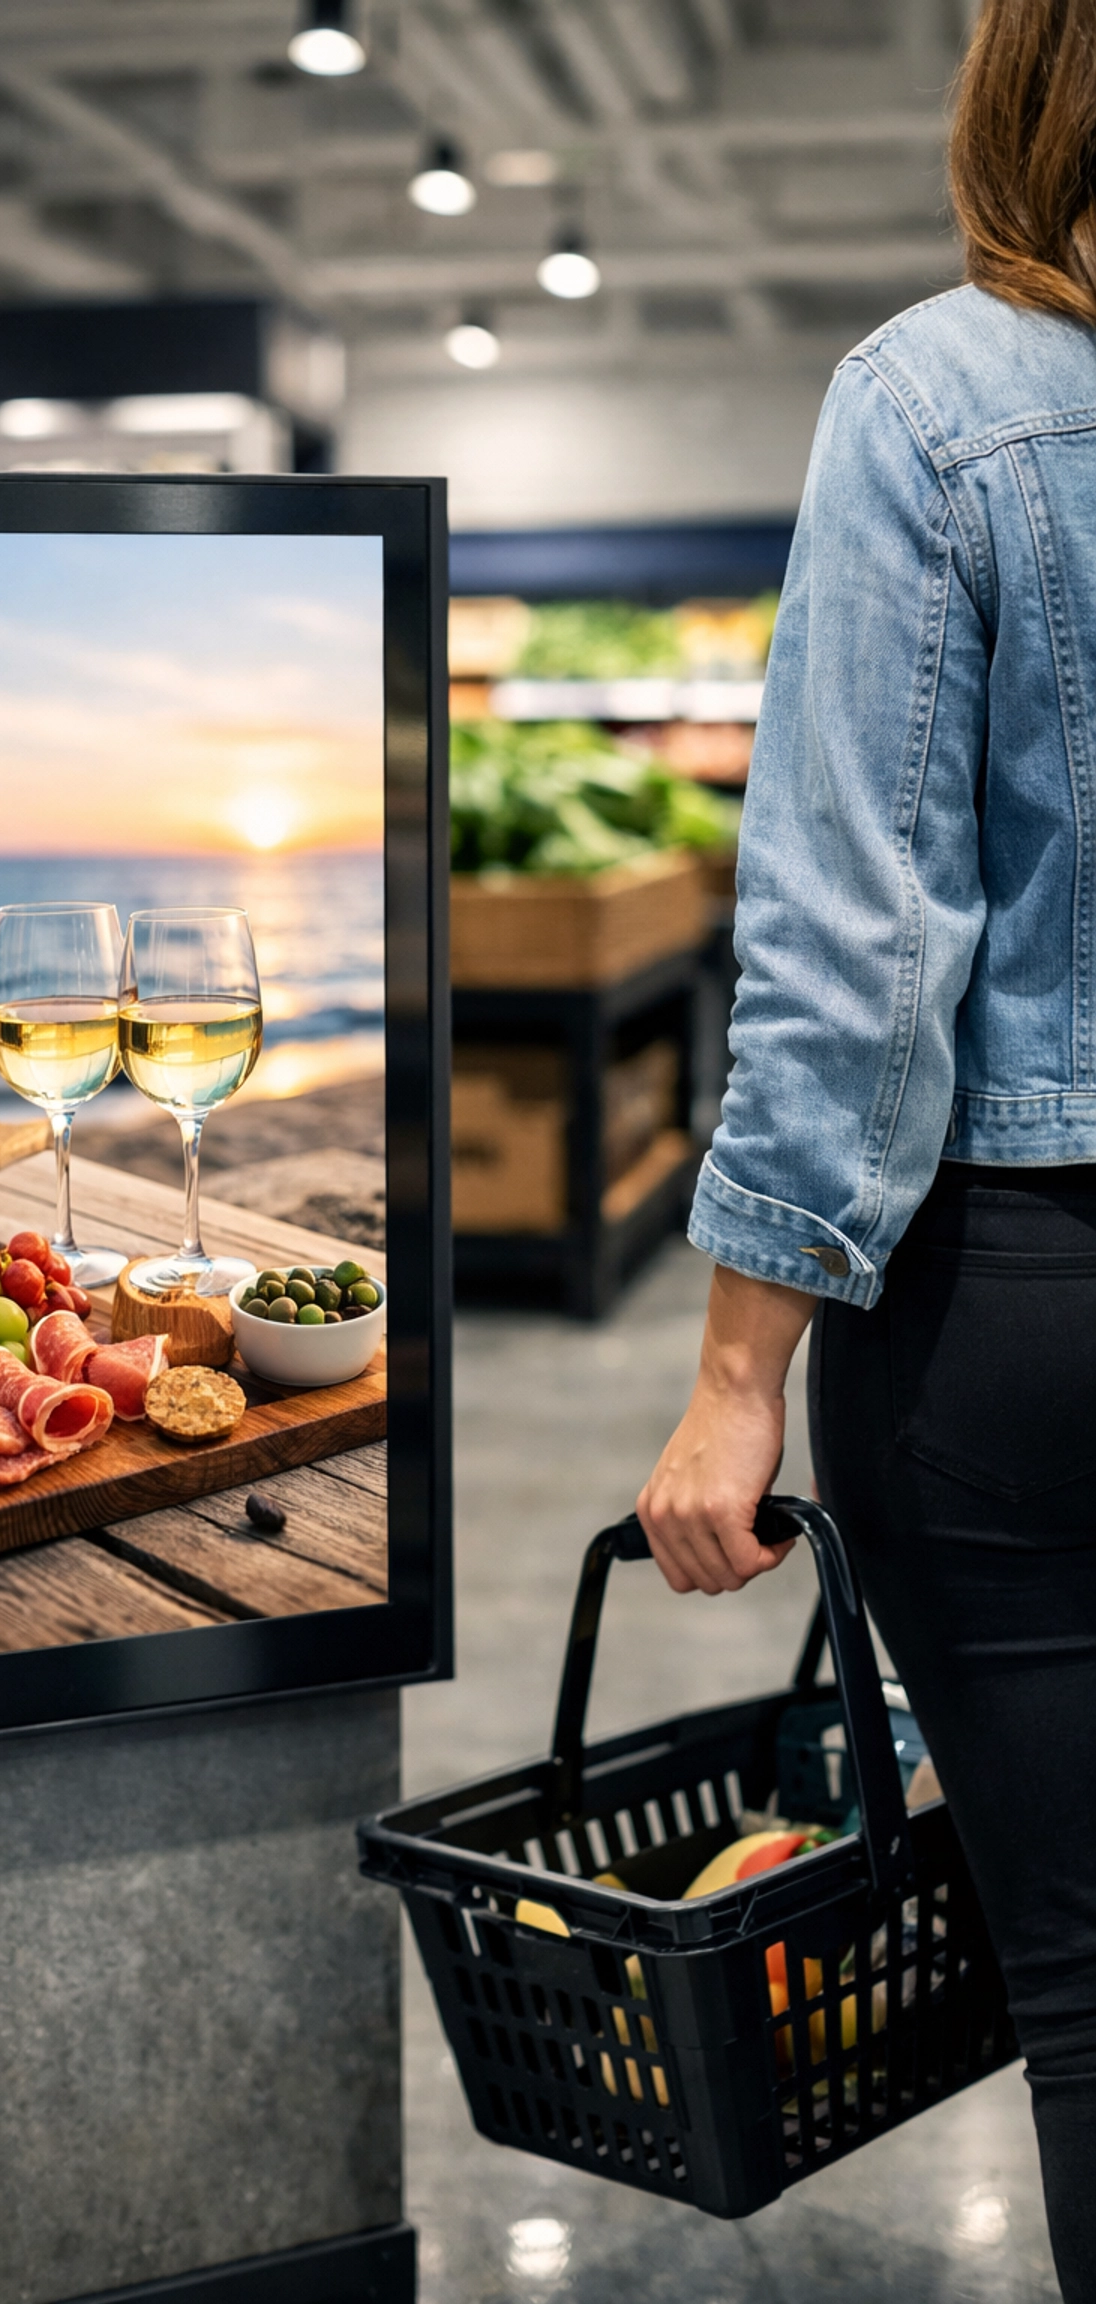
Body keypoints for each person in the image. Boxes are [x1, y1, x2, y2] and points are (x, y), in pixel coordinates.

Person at [636, 2, 1096, 2291]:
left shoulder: (946, 400)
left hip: (1028, 1300)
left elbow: (856, 944)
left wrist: (741, 1374)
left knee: (1088, 1981)